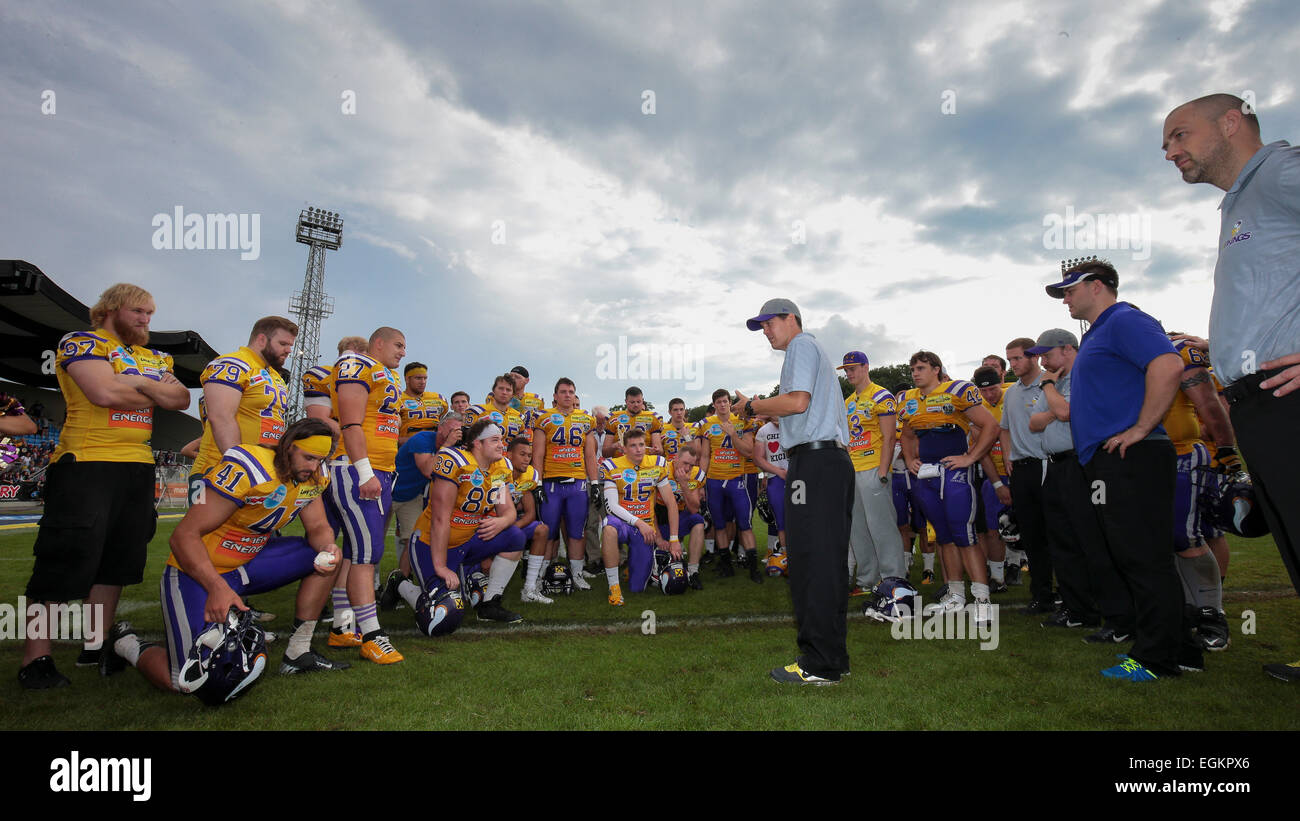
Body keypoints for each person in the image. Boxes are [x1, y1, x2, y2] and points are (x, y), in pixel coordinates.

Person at [1164, 93, 1300, 682]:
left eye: (1179, 135)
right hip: (1255, 397)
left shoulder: (1280, 172)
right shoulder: (1239, 201)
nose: (1170, 152)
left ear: (1230, 122)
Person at [19, 283, 191, 689]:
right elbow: (102, 392)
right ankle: (36, 658)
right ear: (112, 309)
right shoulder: (81, 342)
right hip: (85, 461)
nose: (146, 320)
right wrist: (151, 389)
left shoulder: (155, 355)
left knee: (118, 563)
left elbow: (181, 398)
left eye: (150, 314)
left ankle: (95, 646)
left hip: (137, 465)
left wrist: (136, 384)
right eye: (138, 312)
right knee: (64, 559)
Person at [106, 419, 349, 694]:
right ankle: (124, 642)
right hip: (198, 571)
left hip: (249, 563)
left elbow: (317, 527)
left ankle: (298, 652)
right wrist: (217, 587)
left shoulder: (313, 474)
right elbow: (183, 536)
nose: (314, 467)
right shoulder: (251, 468)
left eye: (320, 460)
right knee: (183, 681)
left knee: (322, 557)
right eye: (308, 457)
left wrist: (329, 546)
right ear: (288, 448)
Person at [1047, 257, 1198, 681]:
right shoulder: (1100, 332)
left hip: (1131, 456)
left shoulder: (1124, 319)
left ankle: (1154, 657)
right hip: (1110, 458)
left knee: (1139, 556)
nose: (1066, 300)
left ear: (1097, 286)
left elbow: (1168, 364)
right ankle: (1180, 648)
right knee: (1143, 555)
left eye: (1070, 290)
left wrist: (1141, 427)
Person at [737, 298, 852, 685]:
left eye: (769, 323)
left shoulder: (802, 345)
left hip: (815, 462)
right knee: (823, 559)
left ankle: (819, 663)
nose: (766, 331)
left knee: (811, 560)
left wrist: (752, 405)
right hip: (821, 462)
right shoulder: (812, 349)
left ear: (792, 320)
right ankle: (832, 656)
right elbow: (797, 405)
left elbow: (796, 402)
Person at [897, 351, 999, 622]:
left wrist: (971, 457)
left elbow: (990, 425)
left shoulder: (957, 390)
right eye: (912, 369)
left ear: (936, 369)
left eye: (920, 368)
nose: (915, 373)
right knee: (943, 536)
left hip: (954, 473)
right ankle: (955, 595)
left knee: (964, 534)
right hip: (926, 475)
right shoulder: (907, 399)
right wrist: (909, 460)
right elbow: (907, 434)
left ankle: (982, 598)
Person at [325, 327, 407, 664]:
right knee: (365, 556)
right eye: (399, 345)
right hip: (360, 470)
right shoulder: (358, 365)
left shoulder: (386, 376)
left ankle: (344, 628)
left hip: (379, 470)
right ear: (379, 344)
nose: (402, 352)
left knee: (352, 552)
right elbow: (351, 423)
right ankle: (373, 635)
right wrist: (364, 471)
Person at [400, 419, 524, 623]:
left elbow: (508, 510)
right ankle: (401, 584)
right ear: (477, 443)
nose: (501, 445)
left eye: (501, 440)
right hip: (431, 544)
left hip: (467, 541)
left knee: (515, 536)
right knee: (441, 615)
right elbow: (440, 519)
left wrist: (502, 522)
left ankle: (490, 604)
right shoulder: (454, 461)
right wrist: (440, 566)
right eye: (494, 440)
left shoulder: (500, 468)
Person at [521, 378, 598, 602]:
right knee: (549, 533)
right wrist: (536, 483)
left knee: (576, 532)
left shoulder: (586, 420)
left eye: (571, 392)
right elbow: (538, 454)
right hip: (552, 483)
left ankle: (576, 574)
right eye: (563, 392)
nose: (567, 395)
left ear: (575, 395)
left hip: (577, 484)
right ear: (554, 395)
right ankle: (538, 577)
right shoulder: (544, 418)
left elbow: (590, 455)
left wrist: (594, 484)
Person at [837, 351, 904, 597]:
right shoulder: (848, 401)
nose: (850, 373)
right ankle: (867, 580)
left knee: (882, 527)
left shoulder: (882, 396)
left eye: (853, 368)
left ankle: (893, 579)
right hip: (853, 470)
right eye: (846, 370)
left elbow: (889, 437)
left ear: (866, 367)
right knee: (858, 528)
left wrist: (883, 471)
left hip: (874, 467)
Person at [998, 338, 1055, 611]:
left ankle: (1070, 593)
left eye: (1017, 359)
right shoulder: (1011, 392)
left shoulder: (1050, 384)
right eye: (1009, 360)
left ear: (1033, 357)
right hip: (1020, 469)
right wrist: (1008, 454)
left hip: (1048, 465)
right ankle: (1041, 595)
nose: (1013, 365)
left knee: (1057, 533)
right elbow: (1004, 428)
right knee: (1031, 535)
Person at [598, 429, 678, 605]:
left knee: (638, 588)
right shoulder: (612, 466)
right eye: (633, 446)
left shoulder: (657, 463)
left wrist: (674, 539)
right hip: (623, 523)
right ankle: (614, 588)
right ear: (624, 449)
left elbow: (671, 503)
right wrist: (638, 522)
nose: (638, 449)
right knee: (609, 527)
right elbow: (611, 507)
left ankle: (631, 569)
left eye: (641, 444)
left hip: (646, 530)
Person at [694, 389, 761, 581]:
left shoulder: (741, 420)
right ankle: (725, 564)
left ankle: (753, 568)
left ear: (730, 403)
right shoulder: (707, 424)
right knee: (720, 525)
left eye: (725, 401)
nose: (722, 405)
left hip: (736, 479)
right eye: (719, 402)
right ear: (714, 404)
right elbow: (705, 456)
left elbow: (749, 452)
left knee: (744, 524)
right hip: (714, 480)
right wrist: (700, 482)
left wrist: (733, 435)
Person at [397, 362, 448, 447]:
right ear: (407, 379)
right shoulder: (397, 398)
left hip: (436, 448)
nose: (423, 382)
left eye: (425, 378)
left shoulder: (438, 398)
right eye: (418, 378)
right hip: (409, 449)